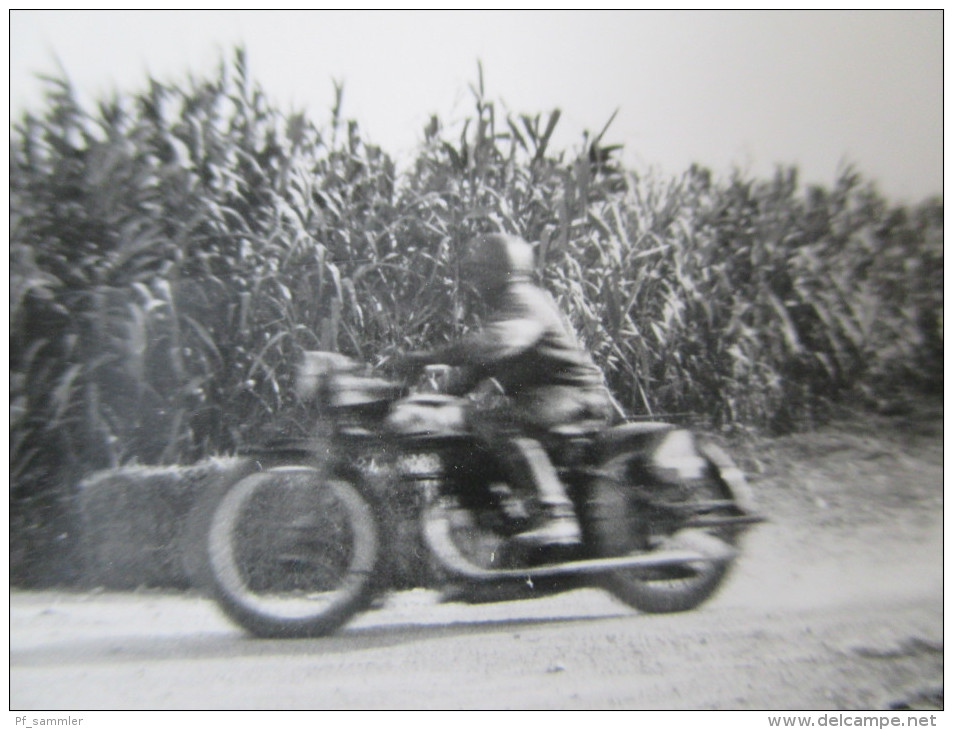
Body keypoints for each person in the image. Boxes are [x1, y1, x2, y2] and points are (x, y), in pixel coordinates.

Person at [401, 233, 612, 547]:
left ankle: (554, 515)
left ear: (497, 270)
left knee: (498, 419)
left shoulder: (524, 299)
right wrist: (428, 400)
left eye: (480, 272)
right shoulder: (511, 303)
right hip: (554, 397)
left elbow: (498, 343)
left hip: (574, 394)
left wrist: (431, 357)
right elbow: (477, 371)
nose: (476, 282)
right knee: (471, 426)